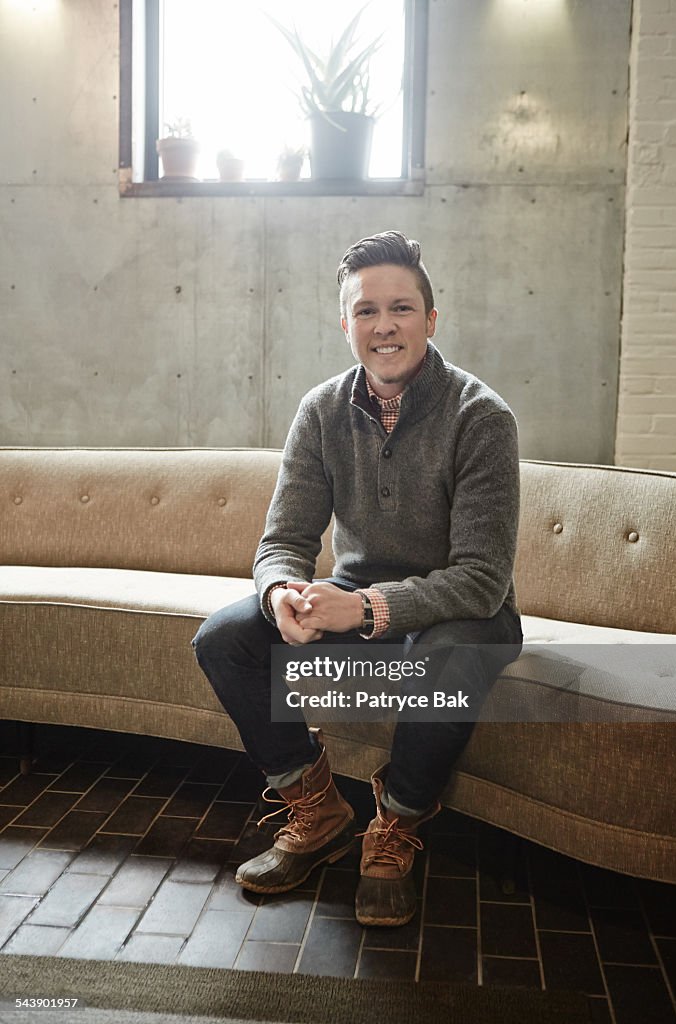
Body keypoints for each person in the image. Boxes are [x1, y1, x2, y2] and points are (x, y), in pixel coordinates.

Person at [192, 230, 523, 927]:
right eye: (365, 310)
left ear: (429, 320)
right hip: (354, 607)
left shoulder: (480, 417)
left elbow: (480, 579)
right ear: (346, 324)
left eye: (399, 308)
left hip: (459, 615)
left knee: (453, 651)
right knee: (224, 638)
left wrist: (363, 610)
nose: (383, 325)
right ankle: (315, 809)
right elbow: (282, 540)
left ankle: (394, 825)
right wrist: (282, 591)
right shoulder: (320, 410)